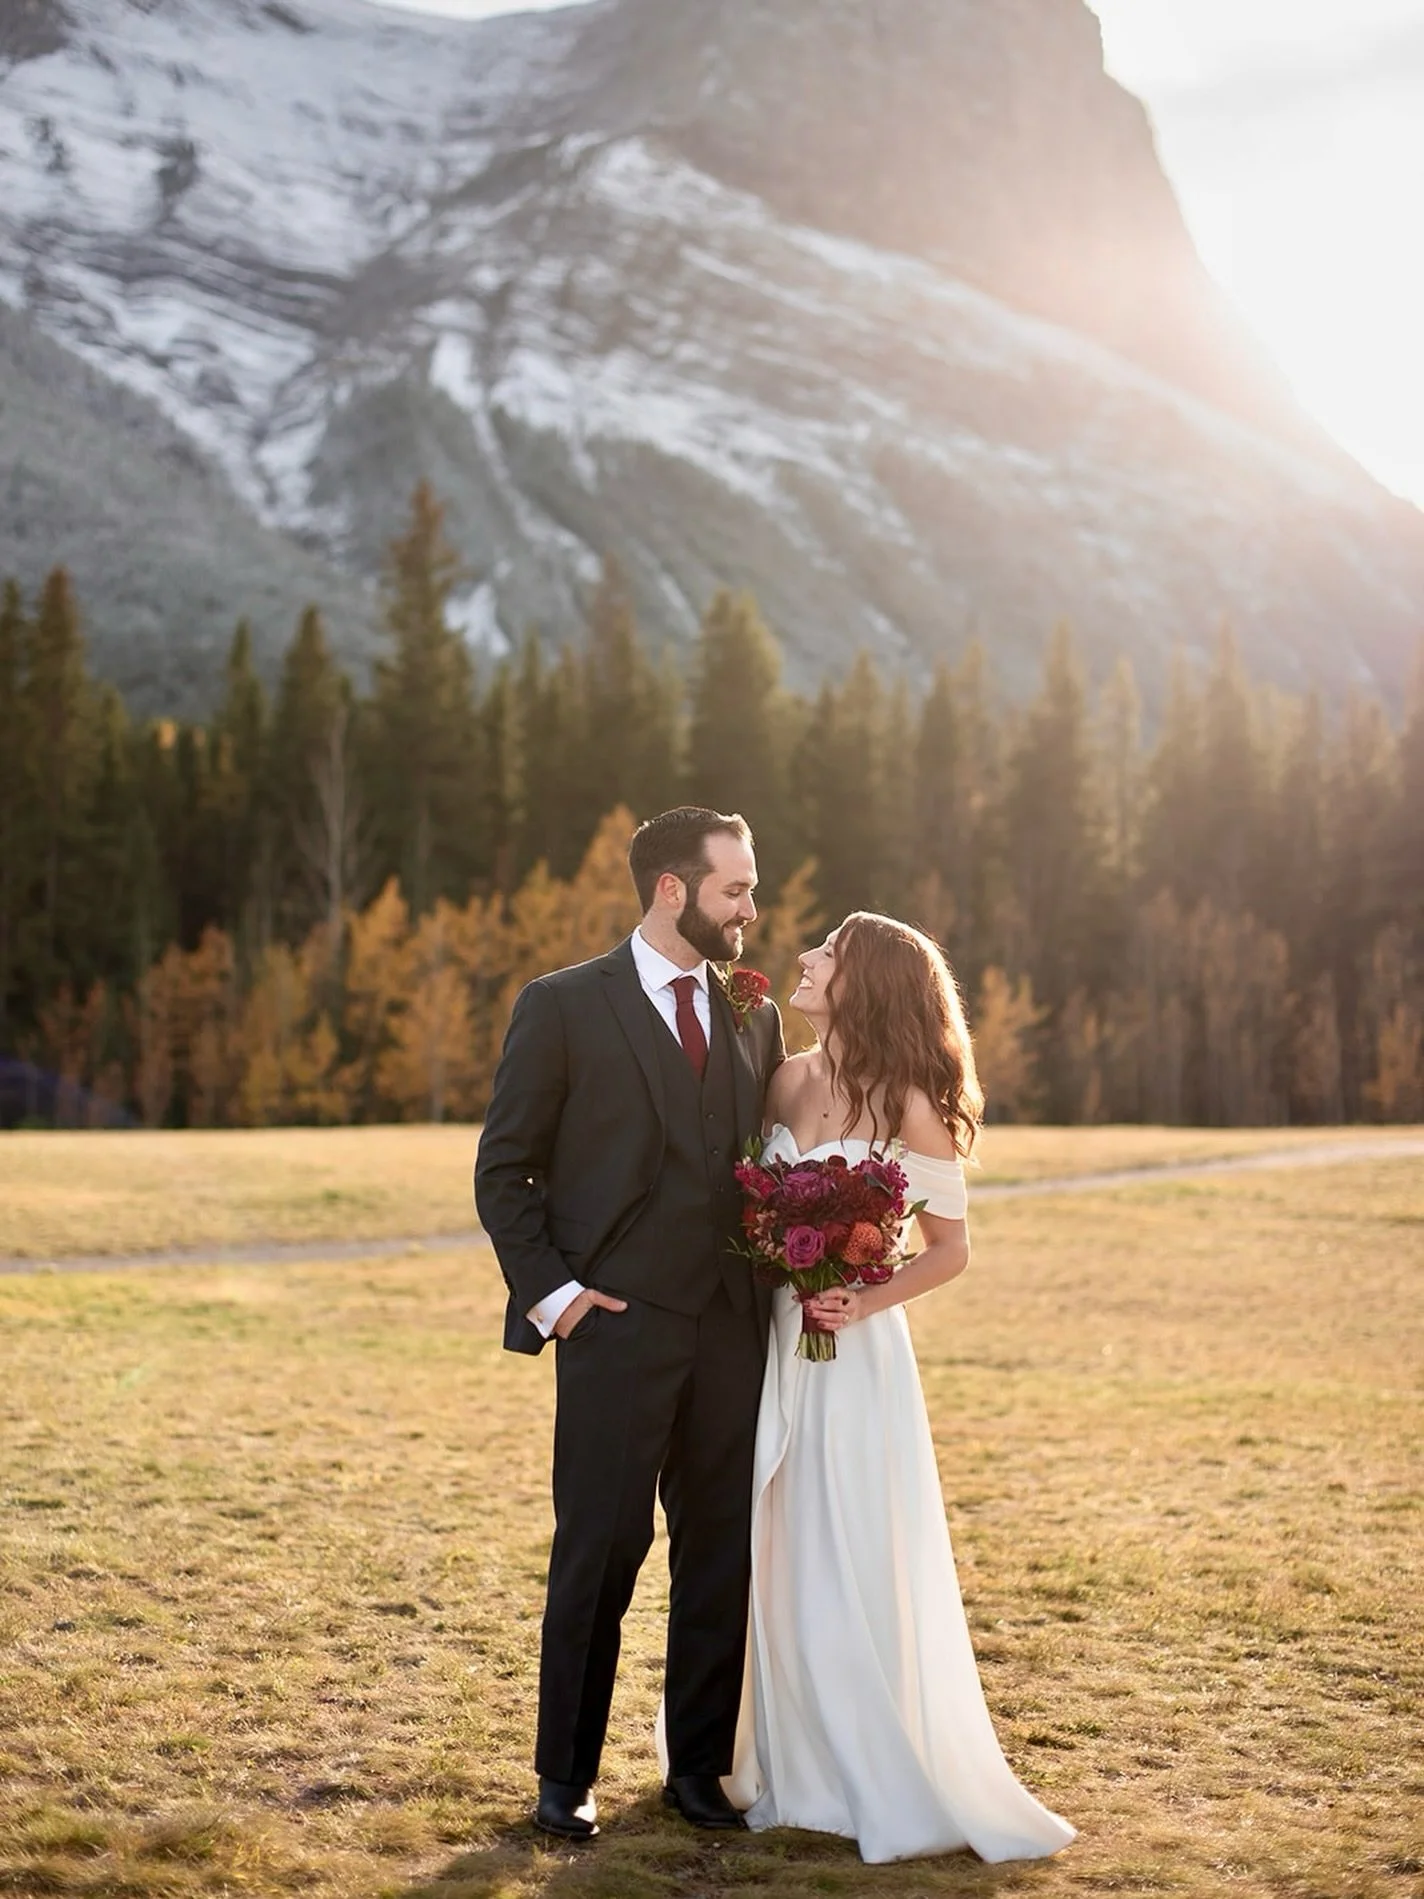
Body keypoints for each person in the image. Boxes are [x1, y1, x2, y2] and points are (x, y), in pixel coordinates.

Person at [723, 911, 1076, 1864]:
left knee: (851, 1539)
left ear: (865, 979)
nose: (804, 958)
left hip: (859, 1356)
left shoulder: (911, 1099)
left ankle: (867, 1762)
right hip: (778, 1344)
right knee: (779, 1540)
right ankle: (786, 1754)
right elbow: (751, 1198)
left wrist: (863, 1294)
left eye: (827, 951)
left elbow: (951, 1249)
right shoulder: (785, 1077)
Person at [474, 807, 785, 1842]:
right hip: (615, 1329)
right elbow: (504, 1168)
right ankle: (562, 1779)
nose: (750, 908)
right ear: (671, 890)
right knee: (601, 1554)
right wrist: (557, 1298)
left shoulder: (754, 1010)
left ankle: (695, 1772)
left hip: (731, 1329)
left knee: (718, 1557)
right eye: (734, 889)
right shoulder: (562, 1006)